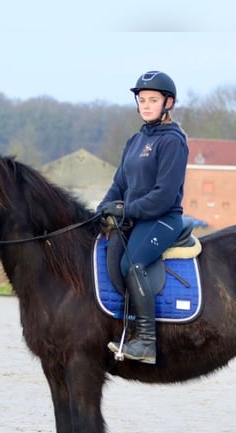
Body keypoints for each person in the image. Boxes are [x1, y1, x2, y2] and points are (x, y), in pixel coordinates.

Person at [96, 70, 189, 365]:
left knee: (132, 264)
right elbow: (119, 185)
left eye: (153, 100)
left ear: (168, 103)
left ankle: (146, 341)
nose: (146, 105)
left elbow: (164, 195)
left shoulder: (173, 141)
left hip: (163, 219)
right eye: (142, 100)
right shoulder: (135, 141)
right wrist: (102, 209)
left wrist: (125, 210)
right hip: (136, 219)